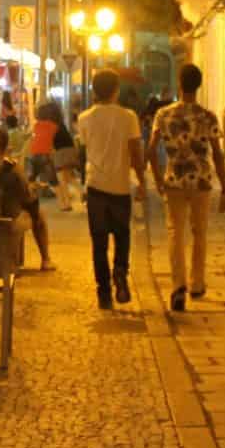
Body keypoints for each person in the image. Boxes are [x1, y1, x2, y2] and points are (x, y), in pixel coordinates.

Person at [148, 63, 225, 312]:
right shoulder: (207, 116)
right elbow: (217, 154)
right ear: (199, 85)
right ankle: (197, 283)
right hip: (201, 181)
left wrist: (157, 178)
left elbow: (150, 150)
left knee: (175, 232)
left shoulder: (164, 115)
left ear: (180, 84)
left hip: (173, 180)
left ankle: (178, 285)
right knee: (199, 232)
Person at [77, 69, 147, 311]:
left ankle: (104, 293)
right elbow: (136, 152)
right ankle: (120, 272)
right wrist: (142, 180)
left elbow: (85, 149)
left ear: (94, 91)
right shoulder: (129, 117)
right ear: (117, 90)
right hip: (120, 186)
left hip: (95, 184)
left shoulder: (84, 118)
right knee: (122, 235)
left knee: (98, 243)